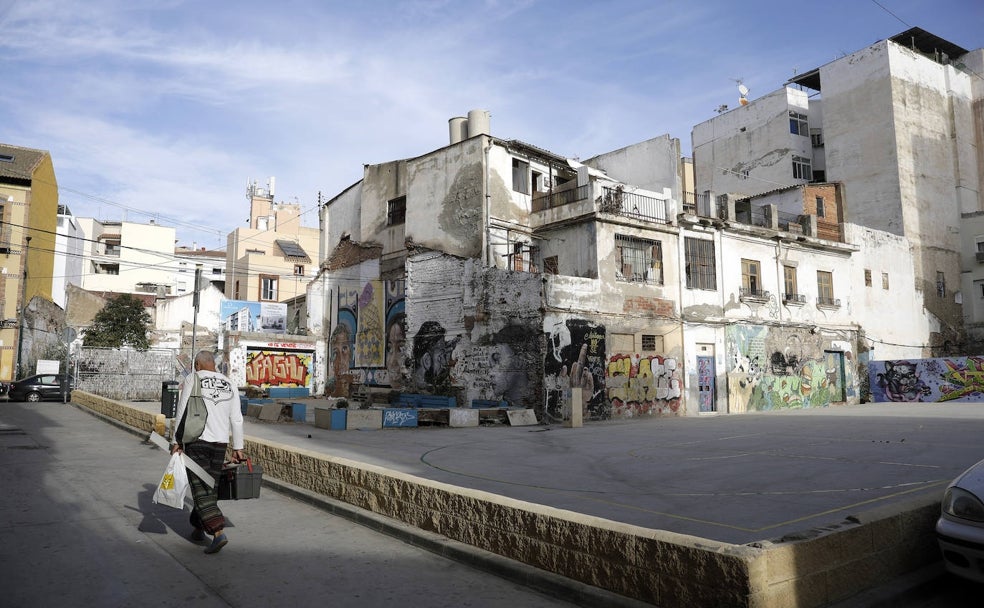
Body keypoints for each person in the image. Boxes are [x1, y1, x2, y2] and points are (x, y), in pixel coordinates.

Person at [171, 350, 244, 554]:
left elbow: (182, 410)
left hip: (197, 441)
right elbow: (237, 419)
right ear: (214, 364)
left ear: (197, 365)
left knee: (201, 487)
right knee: (207, 486)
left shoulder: (192, 378)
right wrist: (238, 447)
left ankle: (218, 532)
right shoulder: (230, 383)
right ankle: (197, 527)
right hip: (220, 444)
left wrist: (176, 441)